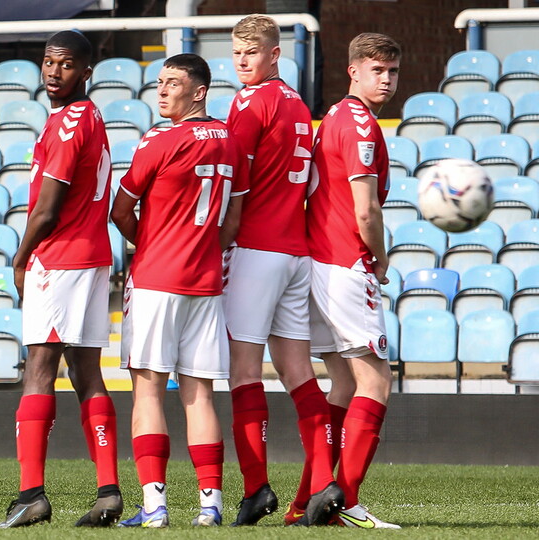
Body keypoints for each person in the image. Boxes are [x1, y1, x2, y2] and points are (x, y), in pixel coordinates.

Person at [111, 53, 247, 528]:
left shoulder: (158, 139)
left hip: (155, 282)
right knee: (200, 395)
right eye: (160, 82)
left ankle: (154, 507)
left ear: (200, 91)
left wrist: (152, 242)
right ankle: (210, 506)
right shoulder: (231, 141)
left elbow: (120, 209)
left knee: (148, 392)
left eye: (173, 83)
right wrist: (202, 248)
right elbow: (233, 219)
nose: (162, 90)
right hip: (206, 283)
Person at [0, 30, 122, 529]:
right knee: (87, 372)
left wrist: (21, 258)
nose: (53, 71)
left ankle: (31, 494)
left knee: (39, 370)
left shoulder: (70, 121)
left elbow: (47, 209)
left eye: (66, 64)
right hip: (91, 257)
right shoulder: (86, 117)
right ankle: (108, 491)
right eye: (48, 61)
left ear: (86, 71)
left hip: (62, 257)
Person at [222, 14, 342, 527]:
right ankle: (321, 485)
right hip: (296, 252)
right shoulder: (296, 103)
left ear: (275, 54)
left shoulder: (250, 102)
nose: (243, 62)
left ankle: (256, 490)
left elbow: (232, 176)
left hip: (257, 249)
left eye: (252, 53)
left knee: (243, 372)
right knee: (298, 372)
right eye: (237, 54)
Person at [306, 32, 402, 529]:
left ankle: (311, 499)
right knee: (376, 380)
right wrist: (380, 258)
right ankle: (347, 500)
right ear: (353, 70)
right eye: (377, 70)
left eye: (392, 71)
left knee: (342, 382)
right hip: (346, 262)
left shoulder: (335, 118)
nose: (385, 79)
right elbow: (366, 210)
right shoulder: (363, 126)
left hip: (317, 263)